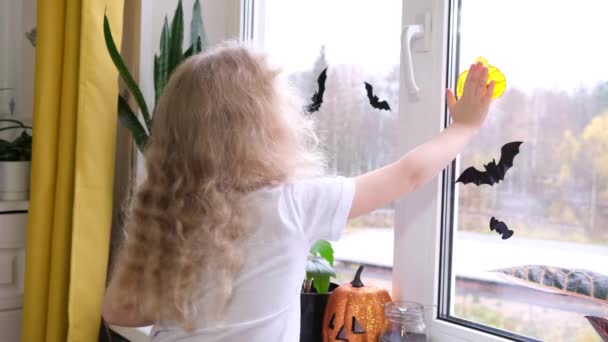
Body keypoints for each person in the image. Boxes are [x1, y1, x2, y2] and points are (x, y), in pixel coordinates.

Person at [102, 42, 495, 341]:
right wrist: (464, 128)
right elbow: (408, 175)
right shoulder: (293, 205)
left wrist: (191, 302)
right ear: (264, 128)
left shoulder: (173, 215)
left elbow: (116, 310)